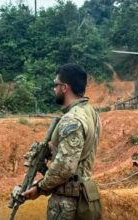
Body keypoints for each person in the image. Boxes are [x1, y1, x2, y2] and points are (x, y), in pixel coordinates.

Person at [22, 64, 102, 220]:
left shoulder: (71, 119)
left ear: (65, 87)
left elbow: (64, 168)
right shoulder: (91, 113)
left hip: (68, 203)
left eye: (55, 85)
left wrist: (40, 188)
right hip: (83, 196)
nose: (54, 89)